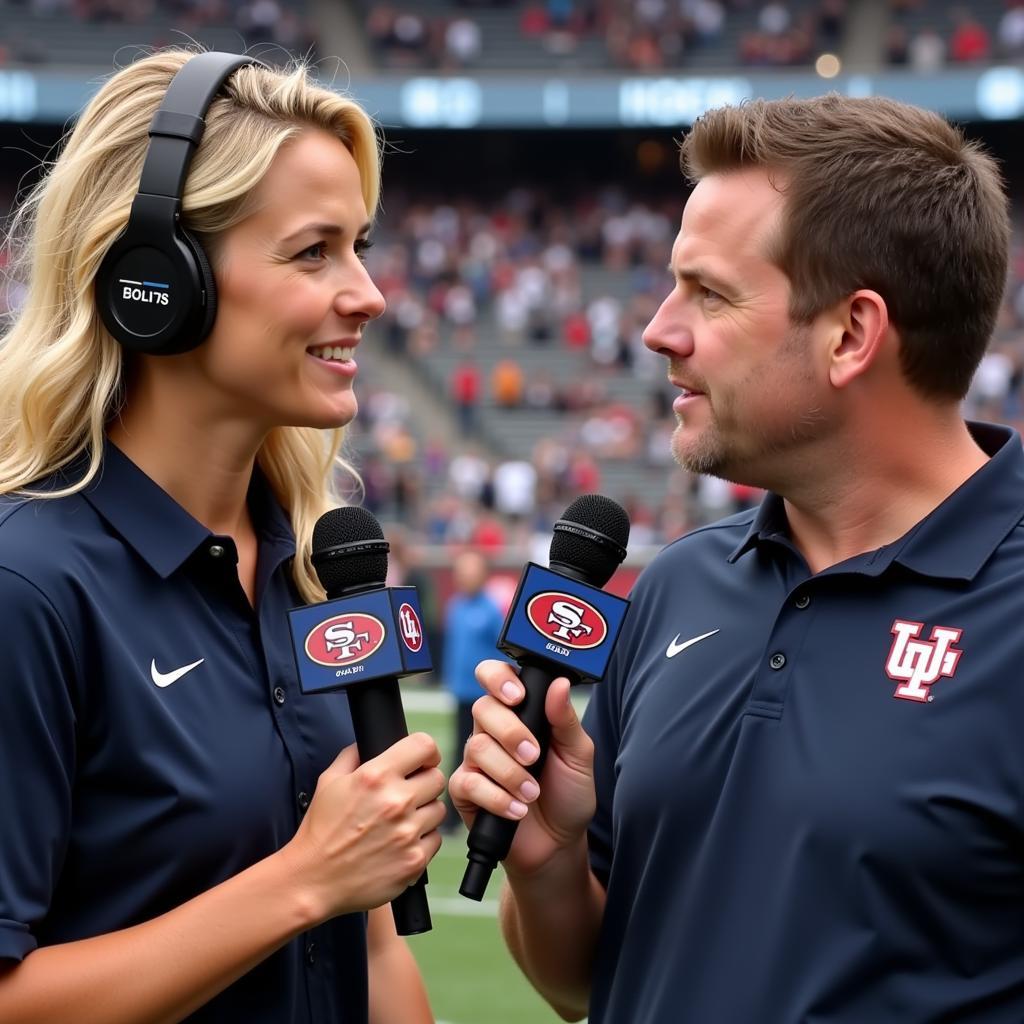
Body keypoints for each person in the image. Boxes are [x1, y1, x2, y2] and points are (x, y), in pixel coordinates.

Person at [449, 94, 1022, 1023]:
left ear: (851, 334)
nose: (657, 331)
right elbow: (589, 983)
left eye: (708, 292)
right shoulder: (678, 585)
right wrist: (551, 866)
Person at [0, 49, 445, 1023]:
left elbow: (370, 950)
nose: (368, 293)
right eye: (312, 251)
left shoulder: (313, 564)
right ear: (156, 279)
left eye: (360, 245)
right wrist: (306, 878)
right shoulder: (26, 585)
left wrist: (343, 879)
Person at [439, 549, 505, 831]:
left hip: (483, 696)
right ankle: (453, 816)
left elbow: (504, 651)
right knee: (459, 753)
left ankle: (483, 811)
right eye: (461, 572)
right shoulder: (455, 606)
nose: (464, 577)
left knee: (485, 755)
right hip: (461, 693)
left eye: (471, 571)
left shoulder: (490, 609)